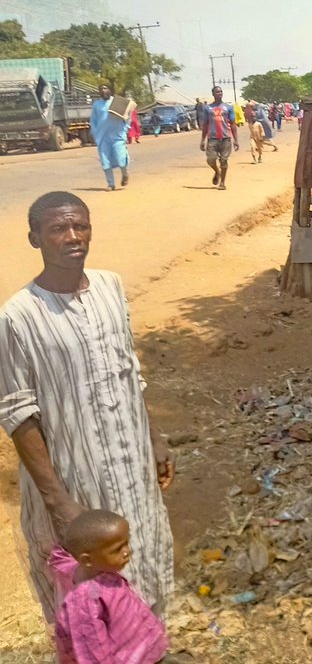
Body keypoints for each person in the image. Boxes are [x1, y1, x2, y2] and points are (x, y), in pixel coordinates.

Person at [0, 192, 175, 625]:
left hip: (132, 464)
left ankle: (144, 645)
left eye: (80, 225)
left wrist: (154, 437)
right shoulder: (17, 317)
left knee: (144, 559)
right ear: (35, 238)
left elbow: (127, 372)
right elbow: (18, 415)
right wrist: (58, 502)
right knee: (88, 598)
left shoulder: (111, 287)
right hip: (75, 479)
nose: (73, 236)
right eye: (59, 228)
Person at [50, 509, 169, 664]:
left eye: (127, 543)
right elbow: (92, 652)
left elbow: (61, 559)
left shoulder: (98, 570)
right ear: (87, 560)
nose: (127, 552)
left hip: (139, 647)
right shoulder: (85, 601)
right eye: (117, 549)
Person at [89, 85, 129, 191]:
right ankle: (111, 184)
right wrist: (95, 133)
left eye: (106, 88)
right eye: (101, 89)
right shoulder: (97, 105)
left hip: (118, 136)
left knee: (121, 158)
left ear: (110, 90)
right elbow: (93, 121)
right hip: (103, 137)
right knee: (105, 161)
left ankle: (125, 175)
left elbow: (127, 116)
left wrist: (125, 130)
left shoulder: (117, 102)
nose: (103, 90)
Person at [199, 85, 238, 190]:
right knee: (211, 160)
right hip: (212, 139)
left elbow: (233, 124)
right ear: (213, 94)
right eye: (217, 92)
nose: (219, 93)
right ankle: (217, 171)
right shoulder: (208, 108)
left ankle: (223, 182)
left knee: (224, 161)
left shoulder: (228, 108)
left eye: (221, 92)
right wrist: (203, 140)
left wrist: (236, 140)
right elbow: (205, 125)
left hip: (225, 138)